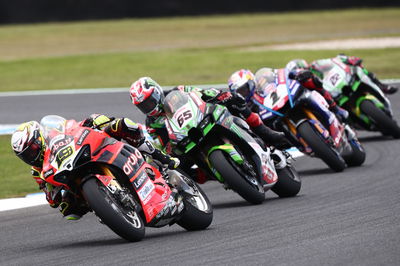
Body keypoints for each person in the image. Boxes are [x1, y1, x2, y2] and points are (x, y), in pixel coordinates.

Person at [10, 115, 180, 220]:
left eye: (32, 149)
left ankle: (160, 157)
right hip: (72, 180)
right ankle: (109, 207)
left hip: (86, 153)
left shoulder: (54, 133)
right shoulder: (37, 171)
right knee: (68, 210)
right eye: (26, 155)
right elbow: (51, 199)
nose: (31, 155)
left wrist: (93, 121)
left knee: (123, 125)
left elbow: (73, 126)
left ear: (39, 138)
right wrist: (55, 195)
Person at [129, 77, 291, 184]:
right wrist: (168, 151)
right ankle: (217, 175)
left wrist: (220, 95)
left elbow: (201, 93)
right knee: (178, 171)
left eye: (150, 101)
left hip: (204, 120)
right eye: (143, 106)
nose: (148, 107)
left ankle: (265, 132)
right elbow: (160, 144)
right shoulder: (151, 123)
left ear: (157, 93)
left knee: (236, 103)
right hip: (186, 143)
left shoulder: (177, 91)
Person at [287, 55, 397, 95]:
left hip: (339, 84)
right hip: (331, 96)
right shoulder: (303, 88)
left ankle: (381, 86)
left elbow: (334, 61)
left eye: (302, 70)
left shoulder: (316, 65)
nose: (303, 75)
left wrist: (346, 60)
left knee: (358, 68)